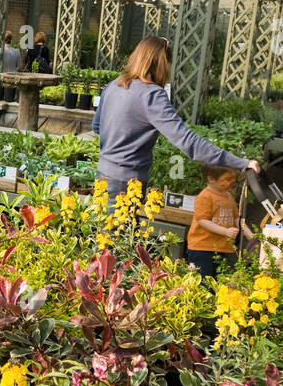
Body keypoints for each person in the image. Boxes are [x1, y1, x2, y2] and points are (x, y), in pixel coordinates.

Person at [92, 36, 259, 202]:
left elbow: (97, 126)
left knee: (103, 226)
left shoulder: (114, 85)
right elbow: (189, 144)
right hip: (127, 182)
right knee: (121, 228)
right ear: (163, 64)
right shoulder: (151, 95)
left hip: (103, 175)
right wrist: (242, 163)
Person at [186, 164, 255, 278]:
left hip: (220, 247)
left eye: (233, 178)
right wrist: (225, 231)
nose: (233, 181)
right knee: (203, 282)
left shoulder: (228, 196)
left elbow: (236, 218)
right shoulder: (205, 197)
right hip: (202, 248)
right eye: (228, 179)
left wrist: (250, 235)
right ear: (211, 179)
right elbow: (203, 221)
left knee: (217, 280)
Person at [0, 30, 21, 102]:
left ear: (3, 40)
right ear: (11, 39)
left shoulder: (0, 51)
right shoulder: (16, 51)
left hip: (1, 80)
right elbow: (19, 66)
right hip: (12, 80)